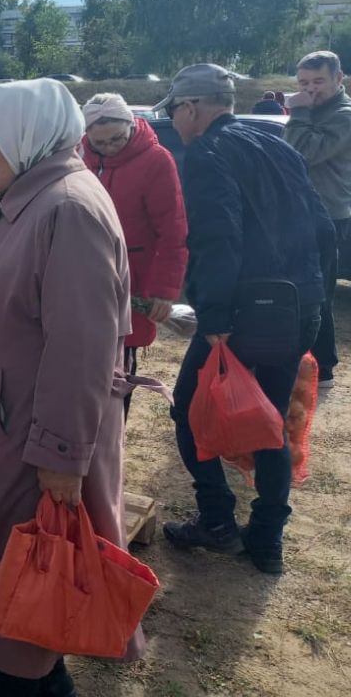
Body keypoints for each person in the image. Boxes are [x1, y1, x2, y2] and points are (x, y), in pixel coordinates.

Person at [0, 79, 139, 697]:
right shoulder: (35, 197)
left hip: (31, 438)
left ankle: (28, 680)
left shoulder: (67, 209)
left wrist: (61, 457)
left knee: (30, 568)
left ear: (25, 135)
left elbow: (83, 349)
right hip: (3, 423)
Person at [156, 64, 331, 575]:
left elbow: (217, 239)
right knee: (272, 424)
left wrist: (213, 316)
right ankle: (268, 537)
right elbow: (321, 226)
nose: (175, 121)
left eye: (174, 111)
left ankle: (216, 520)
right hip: (300, 306)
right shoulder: (275, 143)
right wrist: (315, 298)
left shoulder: (207, 155)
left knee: (190, 413)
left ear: (190, 108)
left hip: (246, 315)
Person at [81, 93, 188, 416]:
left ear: (131, 125)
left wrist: (163, 291)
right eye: (100, 142)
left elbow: (173, 231)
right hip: (84, 276)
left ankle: (113, 433)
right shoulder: (80, 156)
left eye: (117, 138)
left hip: (132, 281)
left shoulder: (156, 160)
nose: (110, 147)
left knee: (120, 365)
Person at [284, 51, 351, 388]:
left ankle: (323, 367)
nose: (310, 90)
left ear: (339, 79)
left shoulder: (343, 115)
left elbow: (302, 151)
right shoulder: (316, 112)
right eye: (304, 83)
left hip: (326, 215)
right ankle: (316, 361)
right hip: (305, 212)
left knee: (316, 292)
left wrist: (297, 110)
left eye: (318, 82)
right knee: (305, 289)